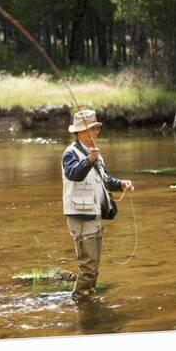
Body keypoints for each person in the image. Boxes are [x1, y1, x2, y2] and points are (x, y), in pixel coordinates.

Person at [62, 109, 134, 302]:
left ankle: (88, 300)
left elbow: (105, 180)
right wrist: (88, 160)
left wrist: (121, 184)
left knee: (93, 267)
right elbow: (74, 174)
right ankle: (80, 302)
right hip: (79, 217)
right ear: (82, 132)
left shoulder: (96, 155)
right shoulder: (70, 153)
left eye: (96, 129)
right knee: (87, 267)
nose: (97, 133)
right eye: (93, 129)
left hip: (94, 215)